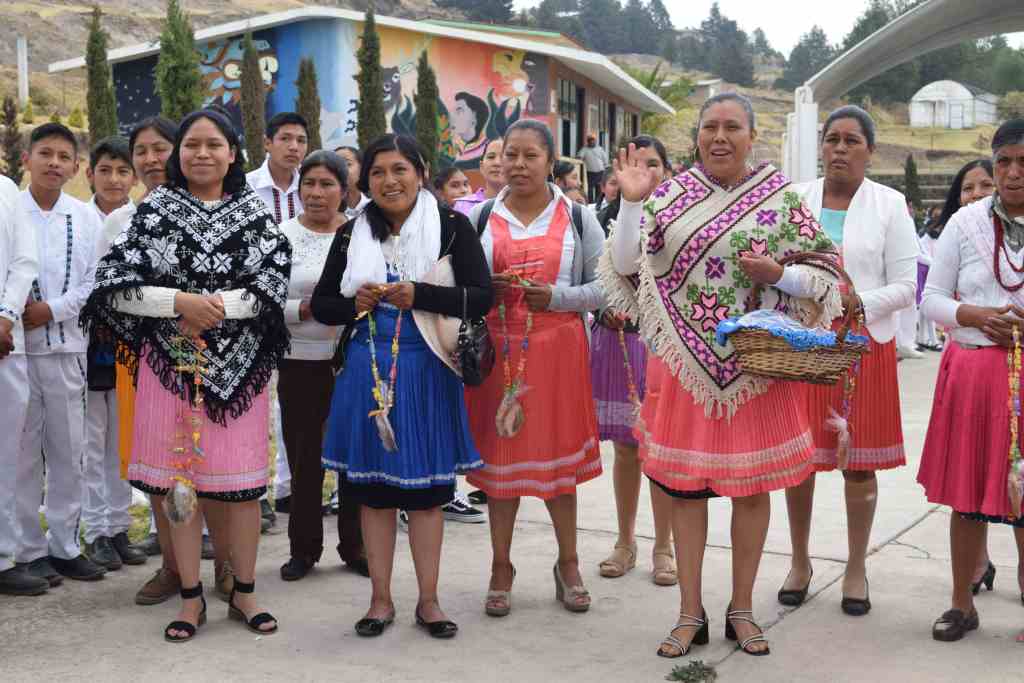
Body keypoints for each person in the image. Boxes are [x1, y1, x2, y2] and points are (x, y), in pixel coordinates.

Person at [603, 93, 843, 657]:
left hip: (757, 369)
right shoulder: (669, 195)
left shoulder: (781, 200)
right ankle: (690, 613)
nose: (719, 136)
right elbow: (624, 267)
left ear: (751, 135)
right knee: (686, 492)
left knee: (751, 491)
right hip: (686, 369)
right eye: (710, 126)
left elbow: (828, 274)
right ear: (698, 136)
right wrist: (633, 205)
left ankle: (742, 608)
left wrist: (781, 273)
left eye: (732, 126)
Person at [81, 108, 290, 642]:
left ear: (233, 153)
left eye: (213, 144)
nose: (201, 153)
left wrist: (212, 309)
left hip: (238, 379)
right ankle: (191, 596)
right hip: (166, 369)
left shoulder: (254, 212)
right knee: (179, 484)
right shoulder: (153, 212)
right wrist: (178, 302)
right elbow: (112, 284)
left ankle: (244, 590)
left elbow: (272, 284)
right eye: (191, 144)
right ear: (179, 155)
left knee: (241, 488)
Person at [312, 134, 491, 639]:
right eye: (377, 173)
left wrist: (423, 295)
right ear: (364, 182)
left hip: (429, 371)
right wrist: (355, 304)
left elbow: (481, 297)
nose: (389, 181)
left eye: (399, 170)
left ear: (420, 171)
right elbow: (325, 304)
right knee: (372, 494)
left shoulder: (451, 227)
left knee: (429, 497)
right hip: (367, 377)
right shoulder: (352, 235)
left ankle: (429, 602)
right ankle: (381, 600)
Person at [780, 105, 918, 617]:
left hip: (864, 346)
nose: (840, 148)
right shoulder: (795, 199)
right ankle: (799, 561)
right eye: (832, 139)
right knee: (801, 463)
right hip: (805, 345)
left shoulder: (890, 205)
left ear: (870, 150)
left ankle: (856, 566)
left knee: (858, 465)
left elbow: (906, 286)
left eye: (851, 141)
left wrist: (854, 301)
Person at [465, 119, 604, 618]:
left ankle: (568, 563)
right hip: (497, 359)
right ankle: (501, 567)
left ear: (551, 161)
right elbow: (459, 288)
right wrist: (486, 293)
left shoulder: (580, 218)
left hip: (558, 354)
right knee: (501, 472)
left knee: (558, 472)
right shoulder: (479, 217)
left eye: (530, 156)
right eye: (510, 156)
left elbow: (607, 288)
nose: (517, 166)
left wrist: (556, 297)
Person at [917, 119, 1024, 643]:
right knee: (967, 496)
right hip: (974, 371)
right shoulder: (965, 223)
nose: (1012, 173)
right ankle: (962, 603)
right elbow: (931, 298)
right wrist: (976, 315)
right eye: (1003, 161)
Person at [15, 123, 106, 585]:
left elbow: (95, 283)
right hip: (16, 356)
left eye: (63, 156)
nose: (53, 162)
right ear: (26, 158)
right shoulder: (10, 212)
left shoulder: (85, 217)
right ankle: (28, 550)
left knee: (71, 453)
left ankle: (66, 547)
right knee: (23, 455)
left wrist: (51, 310)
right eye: (44, 153)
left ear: (75, 167)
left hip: (68, 348)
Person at [276, 151, 367, 581]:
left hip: (351, 361)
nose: (316, 193)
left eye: (326, 184)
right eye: (308, 184)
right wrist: (305, 310)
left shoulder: (359, 235)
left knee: (353, 456)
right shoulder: (280, 236)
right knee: (304, 459)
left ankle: (355, 546)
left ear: (343, 191)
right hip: (299, 361)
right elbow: (265, 300)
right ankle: (304, 549)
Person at [591, 134, 675, 587]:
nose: (643, 170)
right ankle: (626, 541)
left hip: (664, 347)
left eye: (653, 163)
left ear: (669, 171)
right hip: (617, 340)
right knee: (627, 448)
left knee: (660, 448)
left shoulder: (683, 219)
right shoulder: (606, 217)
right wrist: (606, 305)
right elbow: (597, 277)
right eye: (633, 162)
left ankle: (665, 546)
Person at [81, 136, 148, 571]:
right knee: (90, 440)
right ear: (90, 174)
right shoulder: (78, 219)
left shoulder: (139, 219)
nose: (114, 179)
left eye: (123, 171)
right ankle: (95, 532)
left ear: (134, 177)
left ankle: (119, 526)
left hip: (128, 343)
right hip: (86, 343)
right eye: (105, 170)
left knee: (124, 439)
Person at [246, 112, 310, 525]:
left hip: (303, 308)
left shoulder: (315, 184)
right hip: (253, 308)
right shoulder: (246, 188)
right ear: (267, 142)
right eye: (285, 138)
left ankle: (290, 489)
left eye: (301, 140)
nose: (294, 147)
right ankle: (256, 492)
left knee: (296, 404)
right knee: (255, 404)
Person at [0, 174, 42, 595]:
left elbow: (24, 261)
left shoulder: (6, 191)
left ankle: (2, 556)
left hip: (3, 339)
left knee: (5, 454)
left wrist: (5, 315)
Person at [453, 139, 504, 217]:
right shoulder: (463, 205)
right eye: (491, 157)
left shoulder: (524, 205)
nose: (496, 163)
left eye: (503, 157)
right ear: (481, 167)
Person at [336, 146, 372, 218]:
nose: (339, 170)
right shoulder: (328, 214)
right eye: (335, 166)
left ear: (361, 169)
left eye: (347, 164)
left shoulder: (377, 207)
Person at [579, 133, 609, 205]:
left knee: (599, 188)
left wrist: (606, 169)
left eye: (593, 140)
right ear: (588, 141)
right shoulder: (584, 150)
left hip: (600, 172)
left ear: (595, 141)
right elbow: (579, 156)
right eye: (590, 140)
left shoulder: (600, 149)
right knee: (590, 189)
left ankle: (599, 202)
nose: (591, 141)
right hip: (590, 173)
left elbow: (605, 160)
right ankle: (591, 203)